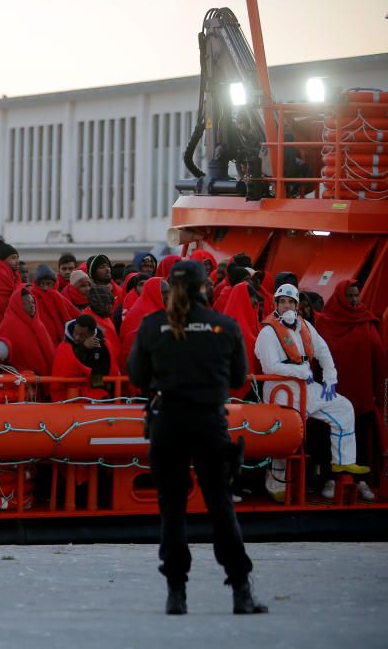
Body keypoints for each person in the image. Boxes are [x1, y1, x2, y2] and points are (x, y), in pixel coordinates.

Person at [128, 260, 267, 616]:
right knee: (221, 506)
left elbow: (137, 374)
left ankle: (176, 592)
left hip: (168, 422)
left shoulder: (153, 326)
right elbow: (239, 376)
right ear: (205, 287)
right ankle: (240, 589)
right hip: (209, 422)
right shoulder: (225, 326)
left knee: (172, 510)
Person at [255, 283, 370, 502]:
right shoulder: (267, 333)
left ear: (297, 305)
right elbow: (271, 366)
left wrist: (330, 378)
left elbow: (323, 351)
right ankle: (275, 486)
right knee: (285, 437)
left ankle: (343, 461)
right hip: (282, 391)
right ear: (276, 304)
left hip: (307, 388)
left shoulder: (305, 326)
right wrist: (299, 371)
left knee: (343, 407)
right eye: (282, 302)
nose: (286, 305)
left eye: (290, 302)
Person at [316, 280, 385, 501]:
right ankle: (331, 478)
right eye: (351, 296)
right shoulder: (326, 323)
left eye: (357, 296)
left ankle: (361, 480)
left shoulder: (366, 320)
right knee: (330, 436)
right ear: (340, 297)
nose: (355, 301)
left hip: (362, 393)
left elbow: (379, 357)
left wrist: (378, 391)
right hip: (333, 393)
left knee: (361, 436)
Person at [51, 314, 117, 401]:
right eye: (75, 333)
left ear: (92, 334)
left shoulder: (103, 347)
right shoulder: (65, 346)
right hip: (65, 395)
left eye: (82, 335)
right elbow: (65, 373)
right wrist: (83, 349)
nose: (77, 337)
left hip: (92, 397)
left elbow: (101, 377)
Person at [0, 288, 55, 376]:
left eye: (33, 302)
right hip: (22, 379)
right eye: (27, 303)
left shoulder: (37, 323)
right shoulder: (9, 325)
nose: (32, 305)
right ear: (17, 305)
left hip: (43, 376)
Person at [30, 264, 78, 345]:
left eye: (49, 284)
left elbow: (74, 313)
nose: (45, 287)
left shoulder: (58, 297)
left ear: (54, 284)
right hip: (41, 338)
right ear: (37, 284)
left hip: (61, 339)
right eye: (42, 284)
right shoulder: (32, 298)